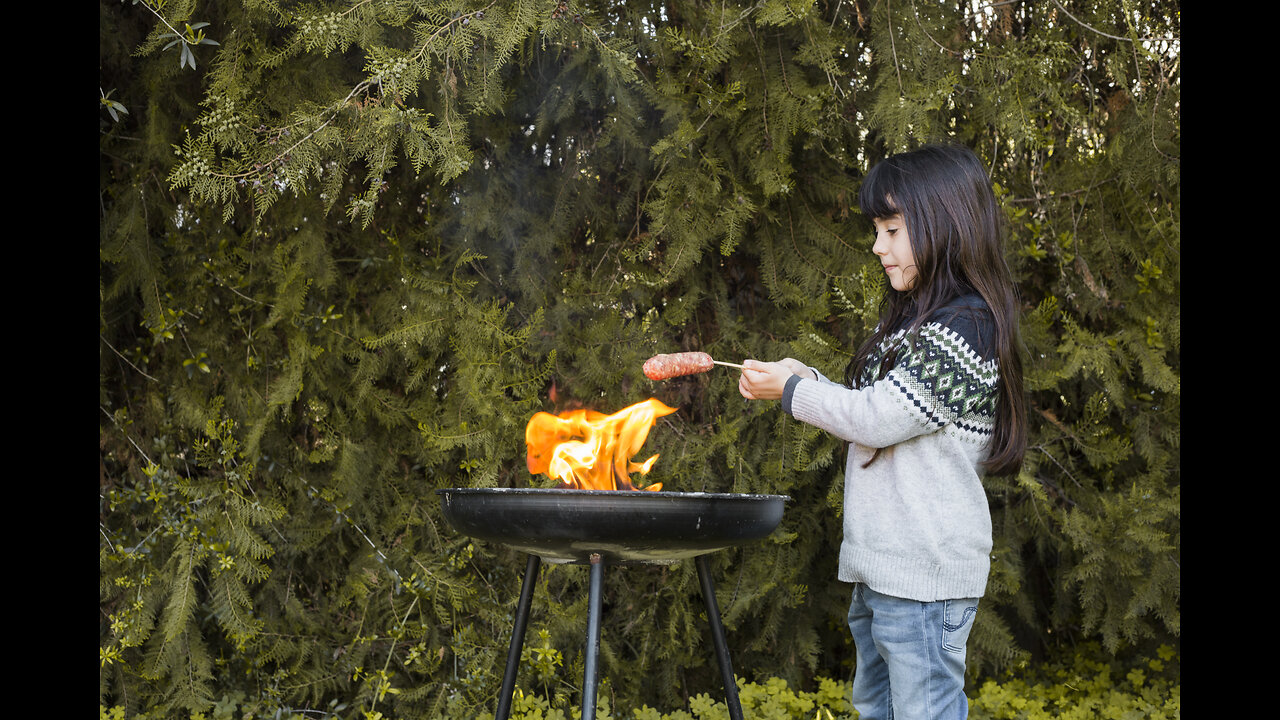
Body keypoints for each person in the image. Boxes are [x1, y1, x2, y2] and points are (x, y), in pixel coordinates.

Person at [738, 143, 1027, 720]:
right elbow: (877, 412)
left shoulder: (964, 328)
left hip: (924, 577)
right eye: (877, 229)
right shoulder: (911, 322)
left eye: (891, 229)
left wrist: (793, 393)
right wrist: (806, 378)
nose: (878, 246)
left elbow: (873, 419)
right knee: (879, 709)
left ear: (943, 224)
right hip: (885, 571)